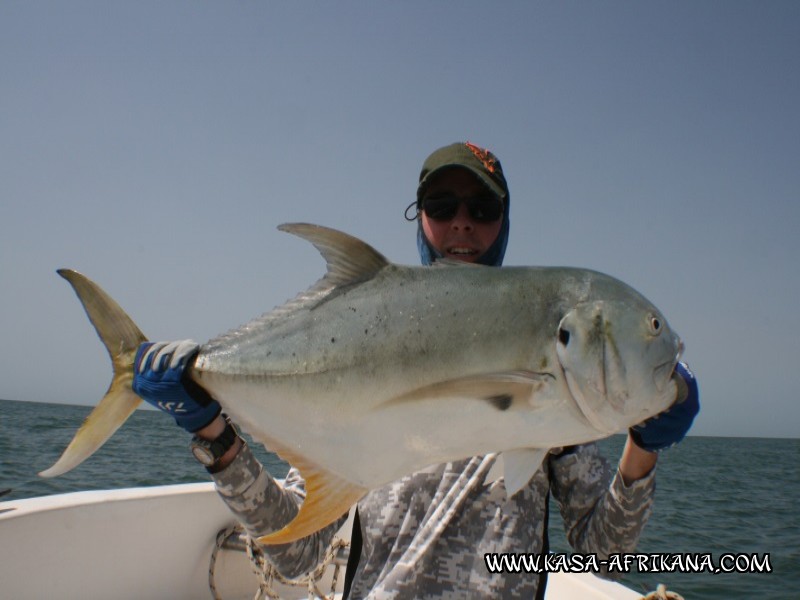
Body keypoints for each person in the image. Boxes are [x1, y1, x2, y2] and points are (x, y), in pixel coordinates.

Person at [133, 142, 699, 599]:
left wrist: (643, 447)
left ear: (504, 224)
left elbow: (606, 555)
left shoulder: (563, 418)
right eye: (442, 208)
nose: (462, 226)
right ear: (419, 218)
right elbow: (296, 550)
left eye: (482, 210)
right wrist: (212, 433)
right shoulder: (363, 350)